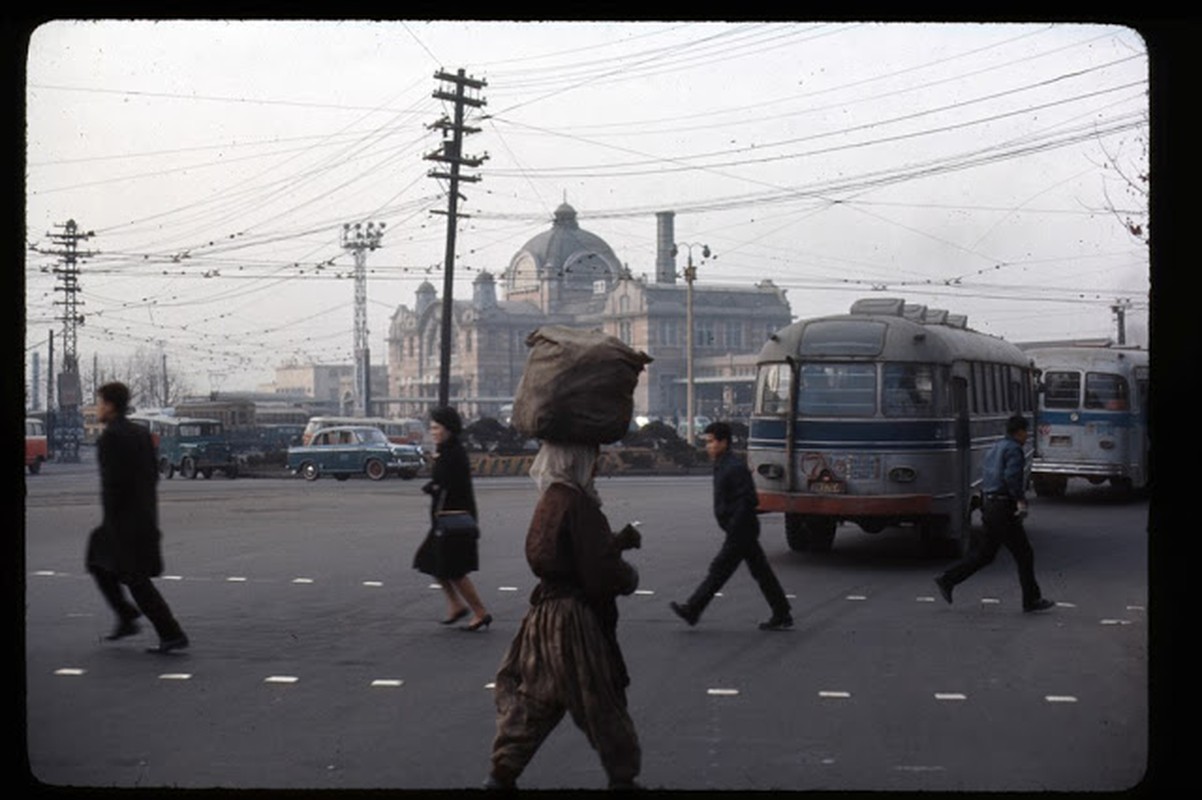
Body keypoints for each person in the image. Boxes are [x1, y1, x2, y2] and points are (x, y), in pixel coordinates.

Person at [486, 441, 643, 791]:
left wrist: (614, 543)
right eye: (592, 462)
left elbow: (562, 555)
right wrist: (627, 575)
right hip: (573, 621)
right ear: (577, 464)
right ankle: (623, 778)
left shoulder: (550, 501)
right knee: (600, 700)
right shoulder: (580, 505)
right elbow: (598, 572)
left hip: (543, 616)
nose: (596, 468)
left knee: (537, 699)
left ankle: (501, 773)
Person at [86, 382, 189, 654]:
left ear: (109, 405)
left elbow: (112, 485)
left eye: (99, 403)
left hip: (122, 521)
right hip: (143, 515)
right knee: (103, 563)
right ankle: (128, 617)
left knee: (133, 577)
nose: (97, 408)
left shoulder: (109, 438)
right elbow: (152, 476)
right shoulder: (141, 434)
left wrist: (113, 523)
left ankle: (169, 632)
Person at [670, 421, 793, 631]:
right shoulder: (723, 464)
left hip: (740, 530)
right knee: (761, 572)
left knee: (719, 569)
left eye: (711, 441)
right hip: (740, 528)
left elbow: (748, 500)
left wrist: (735, 529)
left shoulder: (733, 467)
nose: (708, 446)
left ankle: (693, 609)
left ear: (723, 442)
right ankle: (782, 611)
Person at [934, 414, 1055, 613]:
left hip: (989, 504)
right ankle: (1031, 600)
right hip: (1003, 507)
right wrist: (1020, 501)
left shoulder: (996, 447)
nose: (1027, 436)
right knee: (1024, 553)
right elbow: (1011, 478)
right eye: (1026, 432)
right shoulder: (1015, 450)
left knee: (986, 554)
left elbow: (987, 474)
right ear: (1019, 432)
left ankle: (948, 579)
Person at [413, 406, 492, 631]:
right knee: (430, 561)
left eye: (437, 427)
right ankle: (456, 604)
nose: (433, 431)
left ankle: (479, 612)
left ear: (448, 429)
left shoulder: (452, 453)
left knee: (454, 569)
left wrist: (432, 485)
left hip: (454, 520)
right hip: (446, 519)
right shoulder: (448, 449)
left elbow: (446, 482)